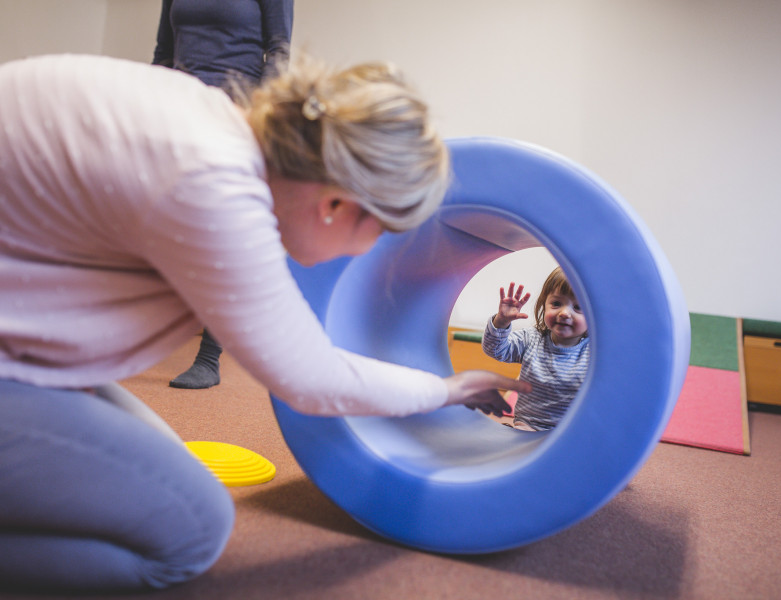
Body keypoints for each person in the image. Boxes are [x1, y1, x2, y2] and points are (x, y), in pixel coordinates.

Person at [0, 52, 528, 591]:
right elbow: (311, 378)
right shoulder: (214, 186)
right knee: (195, 530)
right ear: (336, 205)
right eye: (383, 231)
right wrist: (450, 388)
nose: (373, 248)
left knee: (166, 462)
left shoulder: (208, 120)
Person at [153, 0, 295, 389]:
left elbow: (279, 50)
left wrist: (253, 112)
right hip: (182, 110)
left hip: (236, 109)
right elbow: (164, 54)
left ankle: (209, 357)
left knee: (225, 231)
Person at [482, 267, 590, 431]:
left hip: (571, 432)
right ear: (543, 305)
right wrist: (501, 322)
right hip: (530, 424)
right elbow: (494, 349)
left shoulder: (594, 352)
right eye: (556, 303)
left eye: (578, 307)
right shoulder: (531, 338)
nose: (565, 313)